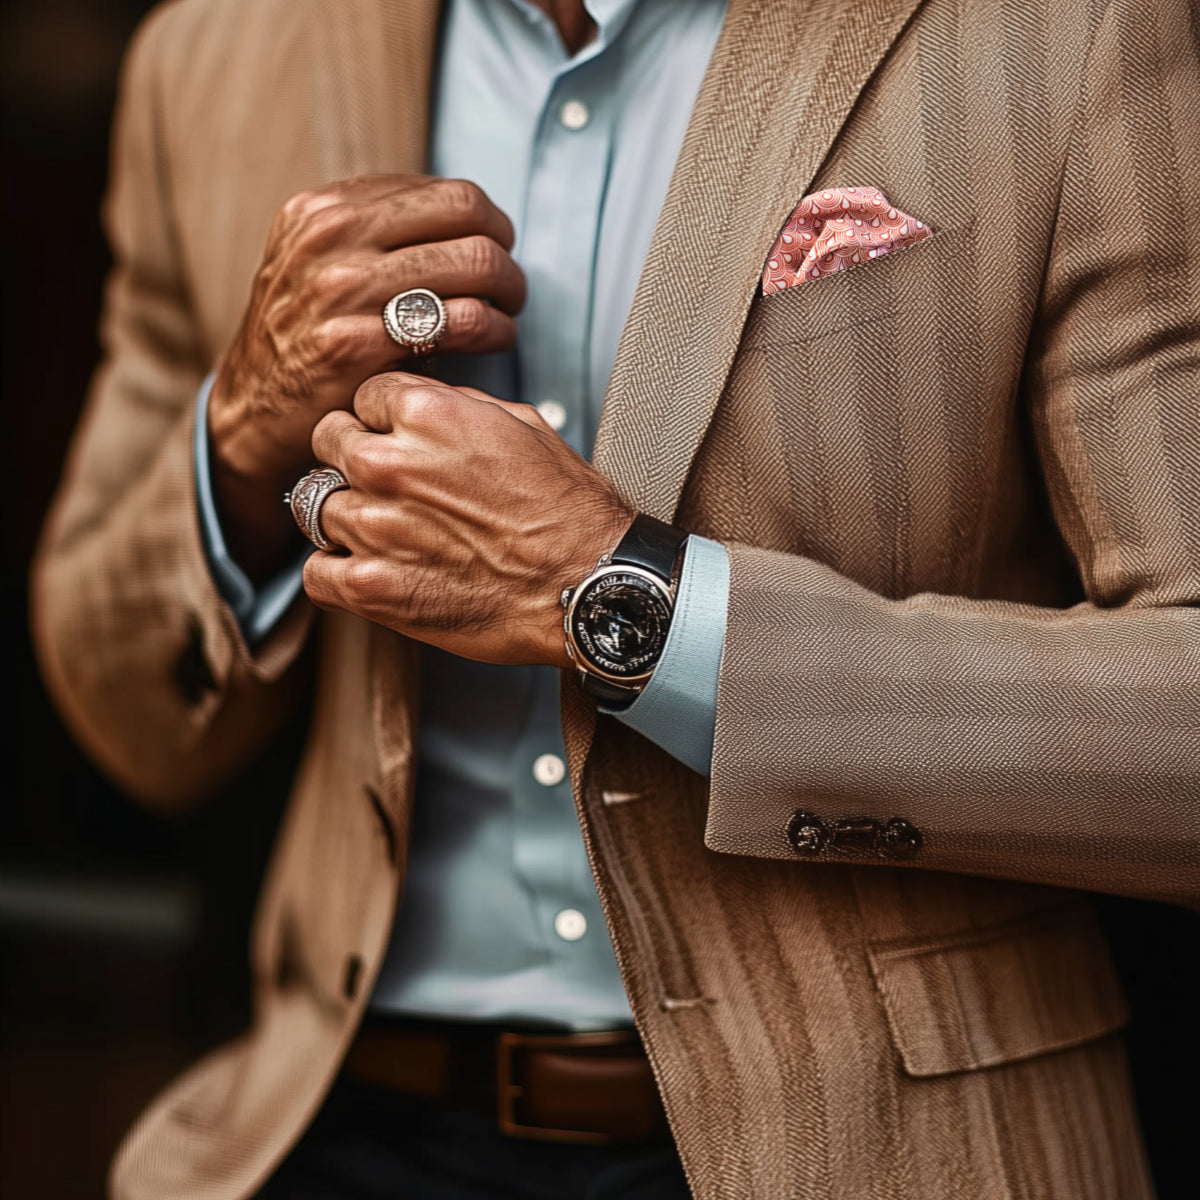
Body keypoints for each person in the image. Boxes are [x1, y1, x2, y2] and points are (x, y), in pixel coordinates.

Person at [31, 0, 1200, 1196]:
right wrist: (243, 432)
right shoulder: (214, 49)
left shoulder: (1077, 31)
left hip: (888, 1147)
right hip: (337, 1126)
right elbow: (128, 723)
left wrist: (630, 602)